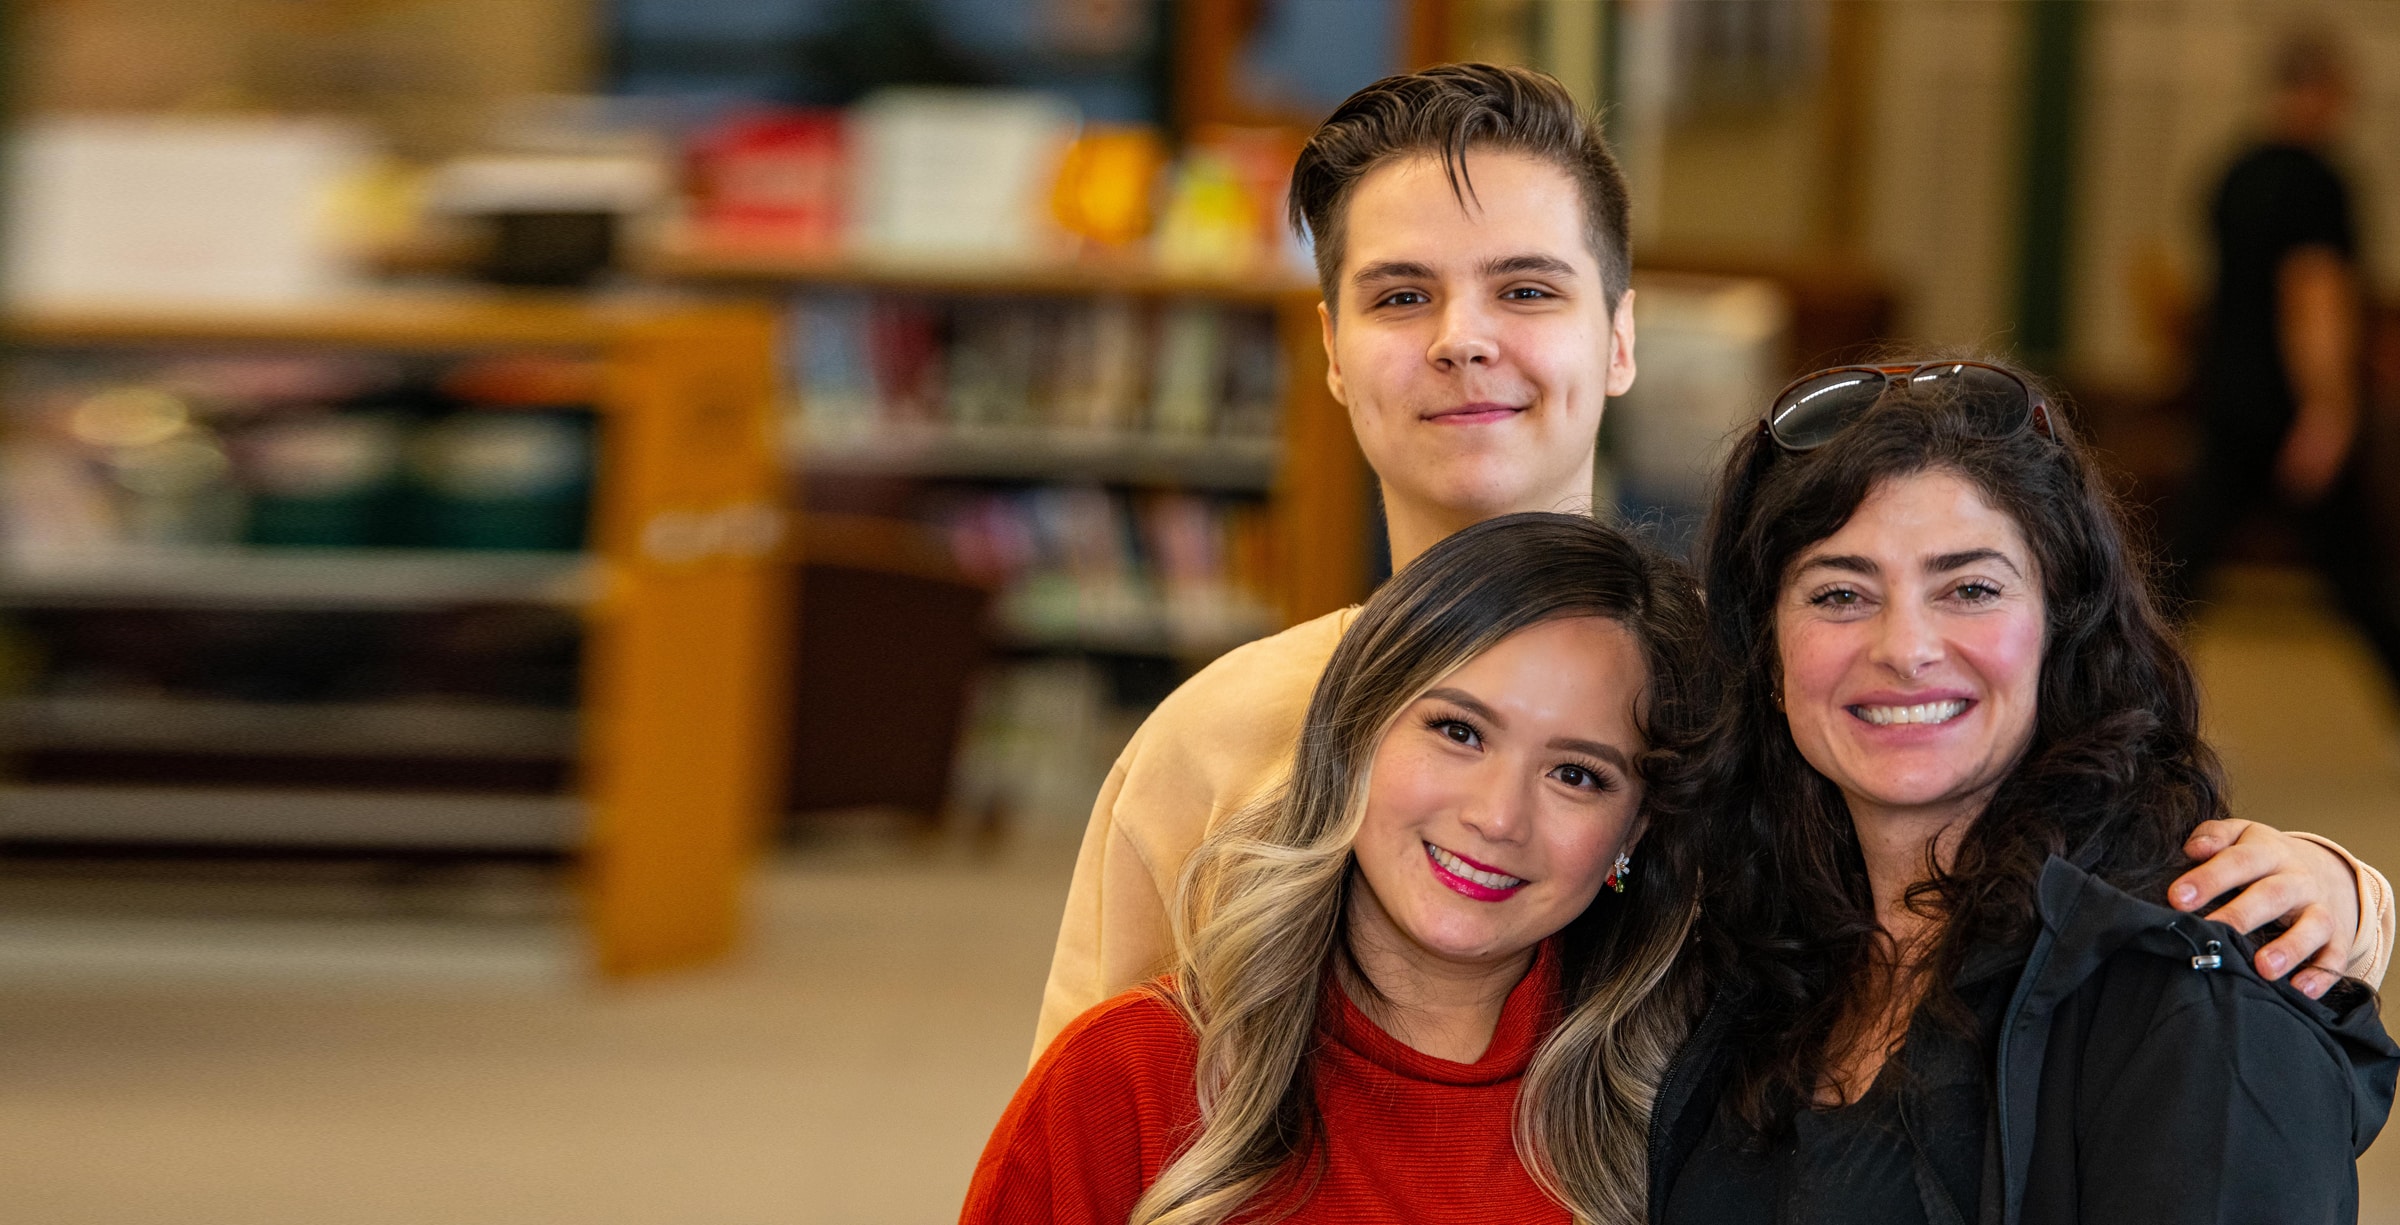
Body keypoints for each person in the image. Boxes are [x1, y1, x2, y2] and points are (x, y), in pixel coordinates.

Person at [1034, 62, 2392, 1058]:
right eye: (1399, 295)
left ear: (1619, 338)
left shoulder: (1784, 690)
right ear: (1329, 352)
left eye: (1526, 287)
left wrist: (2333, 885)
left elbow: (2061, 851)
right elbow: (1083, 1126)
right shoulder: (1216, 742)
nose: (1461, 338)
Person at [1650, 360, 2399, 1223]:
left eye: (1970, 588)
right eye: (1840, 593)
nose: (1906, 646)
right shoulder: (1744, 949)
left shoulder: (2194, 991)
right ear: (1767, 656)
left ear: (2062, 626)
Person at [966, 514, 1707, 1225]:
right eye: (1459, 731)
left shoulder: (1692, 1106)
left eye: (1577, 775)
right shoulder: (1122, 1075)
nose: (1499, 816)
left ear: (1635, 829)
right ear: (1353, 731)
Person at [2164, 32, 2400, 691]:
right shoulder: (2317, 183)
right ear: (2321, 90)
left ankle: (2117, 692)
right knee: (2361, 577)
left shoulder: (2233, 172)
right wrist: (2328, 410)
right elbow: (2314, 298)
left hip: (2228, 397)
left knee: (2185, 567)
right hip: (2289, 405)